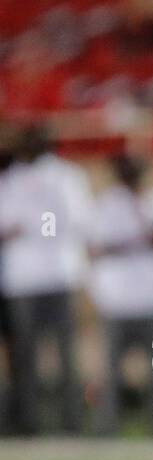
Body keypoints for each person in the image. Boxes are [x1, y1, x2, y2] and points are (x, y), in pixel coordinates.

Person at [0, 125, 93, 435]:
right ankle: (29, 422)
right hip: (24, 278)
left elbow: (76, 219)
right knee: (25, 354)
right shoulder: (11, 179)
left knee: (65, 352)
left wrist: (33, 226)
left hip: (59, 274)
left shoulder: (67, 177)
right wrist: (36, 225)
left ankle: (70, 422)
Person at [88, 153, 153, 434]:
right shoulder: (106, 204)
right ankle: (107, 429)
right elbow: (96, 248)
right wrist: (134, 242)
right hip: (117, 300)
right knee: (111, 373)